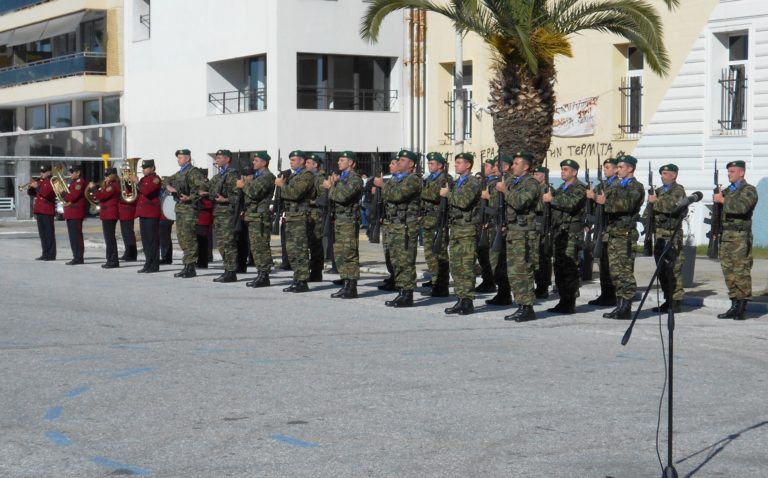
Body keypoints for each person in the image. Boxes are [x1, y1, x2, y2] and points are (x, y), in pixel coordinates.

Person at [596, 154, 645, 320]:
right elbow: (603, 194)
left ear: (630, 168)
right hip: (613, 234)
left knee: (625, 272)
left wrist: (604, 202)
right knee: (615, 272)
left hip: (625, 235)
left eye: (621, 167)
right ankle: (619, 306)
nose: (617, 170)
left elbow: (626, 204)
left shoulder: (636, 186)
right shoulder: (616, 184)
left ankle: (626, 308)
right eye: (616, 167)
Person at [495, 151, 541, 322]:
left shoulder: (531, 183)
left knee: (523, 271)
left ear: (526, 166)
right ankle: (521, 305)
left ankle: (527, 307)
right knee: (514, 272)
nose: (512, 166)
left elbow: (521, 202)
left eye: (516, 163)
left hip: (525, 233)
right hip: (513, 232)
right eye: (513, 163)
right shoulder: (512, 181)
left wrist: (505, 191)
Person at [375, 150, 422, 307]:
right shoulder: (396, 180)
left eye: (402, 160)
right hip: (395, 225)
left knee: (405, 261)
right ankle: (401, 290)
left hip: (406, 226)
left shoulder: (413, 180)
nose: (399, 162)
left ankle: (407, 293)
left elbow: (397, 195)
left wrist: (383, 186)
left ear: (411, 164)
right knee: (396, 260)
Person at [714, 160, 758, 321]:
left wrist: (722, 200)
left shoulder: (749, 190)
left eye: (732, 171)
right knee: (729, 273)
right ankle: (734, 304)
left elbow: (742, 208)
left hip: (740, 237)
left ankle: (742, 306)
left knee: (741, 272)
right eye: (728, 171)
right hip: (726, 237)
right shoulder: (726, 191)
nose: (729, 174)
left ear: (742, 173)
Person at [543, 159, 587, 314]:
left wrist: (552, 199)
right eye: (562, 169)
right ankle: (563, 300)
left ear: (574, 172)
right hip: (560, 232)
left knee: (569, 268)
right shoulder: (562, 187)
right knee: (560, 267)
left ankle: (569, 302)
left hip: (571, 233)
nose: (563, 172)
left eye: (566, 169)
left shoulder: (580, 187)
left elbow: (571, 204)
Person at [643, 164, 687, 313]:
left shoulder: (678, 190)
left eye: (666, 173)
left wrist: (655, 201)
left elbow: (672, 207)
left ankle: (676, 301)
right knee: (661, 269)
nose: (663, 176)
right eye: (662, 173)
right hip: (659, 235)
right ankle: (668, 299)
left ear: (674, 175)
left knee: (673, 268)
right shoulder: (659, 191)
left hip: (671, 235)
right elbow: (649, 209)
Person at [441, 152, 481, 315]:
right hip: (456, 228)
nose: (456, 165)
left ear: (468, 165)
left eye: (459, 162)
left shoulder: (473, 182)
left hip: (467, 229)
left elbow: (464, 202)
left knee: (467, 266)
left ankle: (468, 300)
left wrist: (448, 194)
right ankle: (460, 297)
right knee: (456, 266)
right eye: (456, 162)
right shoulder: (457, 183)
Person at [325, 151, 364, 298]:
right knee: (340, 254)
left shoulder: (355, 179)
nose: (338, 162)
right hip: (339, 220)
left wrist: (330, 187)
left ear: (351, 163)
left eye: (342, 160)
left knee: (349, 254)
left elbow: (342, 196)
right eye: (339, 160)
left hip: (348, 221)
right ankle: (345, 283)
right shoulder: (342, 178)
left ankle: (352, 286)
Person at [165, 148, 209, 278]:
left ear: (188, 158)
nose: (178, 159)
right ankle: (186, 266)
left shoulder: (193, 172)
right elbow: (166, 180)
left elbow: (204, 187)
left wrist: (190, 197)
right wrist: (169, 187)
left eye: (181, 157)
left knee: (189, 239)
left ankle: (190, 267)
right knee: (182, 239)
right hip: (180, 210)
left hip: (189, 210)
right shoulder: (180, 173)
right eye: (178, 157)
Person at [276, 150, 315, 292]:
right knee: (291, 250)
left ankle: (303, 281)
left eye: (294, 159)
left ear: (302, 161)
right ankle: (297, 278)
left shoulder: (307, 175)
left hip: (300, 217)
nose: (291, 162)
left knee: (300, 250)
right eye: (290, 159)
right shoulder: (292, 175)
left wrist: (282, 186)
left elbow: (295, 193)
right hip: (291, 216)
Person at [238, 151, 276, 288]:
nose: (253, 162)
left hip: (260, 216)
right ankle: (260, 273)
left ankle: (264, 275)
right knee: (255, 247)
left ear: (264, 163)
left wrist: (244, 186)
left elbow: (255, 193)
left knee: (261, 247)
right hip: (253, 215)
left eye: (256, 160)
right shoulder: (256, 177)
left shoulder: (267, 177)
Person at [586, 157, 619, 306]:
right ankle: (605, 294)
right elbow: (593, 207)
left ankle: (614, 295)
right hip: (600, 228)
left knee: (613, 265)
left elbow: (611, 204)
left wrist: (594, 197)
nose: (605, 170)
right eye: (604, 168)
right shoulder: (601, 185)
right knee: (602, 263)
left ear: (615, 169)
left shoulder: (617, 185)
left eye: (607, 168)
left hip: (611, 228)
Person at [204, 149, 240, 283]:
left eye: (219, 157)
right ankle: (227, 269)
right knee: (222, 244)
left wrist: (225, 200)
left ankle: (231, 272)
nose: (216, 160)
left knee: (228, 244)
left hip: (227, 214)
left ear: (227, 159)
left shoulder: (232, 175)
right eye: (216, 157)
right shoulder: (218, 176)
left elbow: (237, 196)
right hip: (218, 214)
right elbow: (210, 190)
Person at [420, 152, 451, 297]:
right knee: (430, 253)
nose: (429, 165)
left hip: (438, 221)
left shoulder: (445, 179)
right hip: (428, 220)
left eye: (432, 163)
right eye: (429, 163)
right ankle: (434, 279)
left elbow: (433, 195)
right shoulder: (430, 179)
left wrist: (422, 191)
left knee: (440, 254)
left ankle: (441, 284)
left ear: (440, 165)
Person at [484, 155, 513, 306]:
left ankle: (504, 293)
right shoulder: (497, 182)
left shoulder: (507, 182)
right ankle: (502, 292)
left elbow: (497, 205)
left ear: (506, 167)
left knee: (499, 262)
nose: (494, 168)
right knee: (496, 262)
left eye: (497, 165)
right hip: (497, 226)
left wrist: (488, 197)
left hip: (504, 227)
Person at [375, 157, 400, 291]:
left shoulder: (404, 180)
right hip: (388, 220)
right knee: (388, 252)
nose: (390, 165)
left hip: (397, 222)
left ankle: (398, 279)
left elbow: (395, 195)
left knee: (397, 254)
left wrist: (382, 186)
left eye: (393, 163)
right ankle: (393, 276)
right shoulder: (392, 179)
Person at [134, 159, 162, 273]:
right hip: (143, 213)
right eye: (143, 168)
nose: (143, 170)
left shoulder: (155, 179)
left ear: (152, 168)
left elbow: (147, 191)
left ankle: (154, 265)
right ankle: (147, 263)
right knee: (145, 240)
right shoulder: (143, 179)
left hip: (151, 213)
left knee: (152, 240)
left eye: (145, 168)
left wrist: (137, 182)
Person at [90, 168, 121, 268]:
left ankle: (113, 260)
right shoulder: (108, 185)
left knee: (110, 238)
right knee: (109, 238)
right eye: (105, 175)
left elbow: (101, 196)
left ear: (113, 175)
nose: (105, 177)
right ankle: (111, 259)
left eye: (107, 175)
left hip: (110, 214)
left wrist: (94, 188)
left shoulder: (113, 186)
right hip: (106, 214)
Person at [475, 158, 497, 293]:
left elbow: (496, 204)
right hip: (481, 222)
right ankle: (487, 280)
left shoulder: (495, 183)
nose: (485, 168)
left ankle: (491, 282)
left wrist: (487, 197)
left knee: (489, 255)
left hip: (490, 223)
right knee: (482, 254)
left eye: (487, 166)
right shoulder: (485, 182)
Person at [27, 164, 56, 261]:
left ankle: (51, 254)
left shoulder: (52, 181)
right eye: (41, 172)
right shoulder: (40, 181)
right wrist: (31, 187)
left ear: (49, 172)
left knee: (49, 234)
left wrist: (37, 186)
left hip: (47, 211)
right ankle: (45, 253)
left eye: (43, 172)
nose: (41, 173)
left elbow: (46, 193)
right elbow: (32, 193)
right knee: (42, 234)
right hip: (39, 210)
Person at [305, 153, 326, 282]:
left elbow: (323, 198)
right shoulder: (310, 177)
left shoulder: (319, 178)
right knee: (311, 243)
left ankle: (316, 272)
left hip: (316, 215)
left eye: (308, 163)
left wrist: (309, 202)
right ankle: (313, 270)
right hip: (309, 214)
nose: (306, 165)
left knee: (316, 244)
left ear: (315, 165)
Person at [532, 165, 551, 299]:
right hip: (534, 226)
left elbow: (543, 207)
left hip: (543, 226)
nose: (535, 176)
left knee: (543, 258)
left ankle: (542, 287)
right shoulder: (534, 189)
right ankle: (537, 284)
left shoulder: (548, 190)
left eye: (537, 174)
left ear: (544, 176)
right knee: (534, 256)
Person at [62, 165, 87, 265]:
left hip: (76, 213)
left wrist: (62, 193)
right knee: (72, 236)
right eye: (70, 172)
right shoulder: (72, 182)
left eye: (72, 172)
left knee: (76, 236)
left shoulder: (79, 183)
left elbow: (73, 197)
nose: (70, 174)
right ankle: (75, 256)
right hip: (70, 213)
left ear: (78, 173)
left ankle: (79, 257)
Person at [196, 168, 214, 269]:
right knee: (199, 240)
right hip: (198, 216)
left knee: (204, 241)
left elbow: (210, 203)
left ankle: (204, 260)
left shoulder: (208, 186)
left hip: (204, 217)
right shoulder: (199, 186)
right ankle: (201, 260)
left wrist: (202, 198)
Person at [118, 177, 138, 262]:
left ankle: (132, 254)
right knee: (125, 233)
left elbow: (130, 197)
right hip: (123, 212)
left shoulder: (130, 185)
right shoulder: (123, 185)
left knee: (128, 233)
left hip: (128, 211)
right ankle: (128, 252)